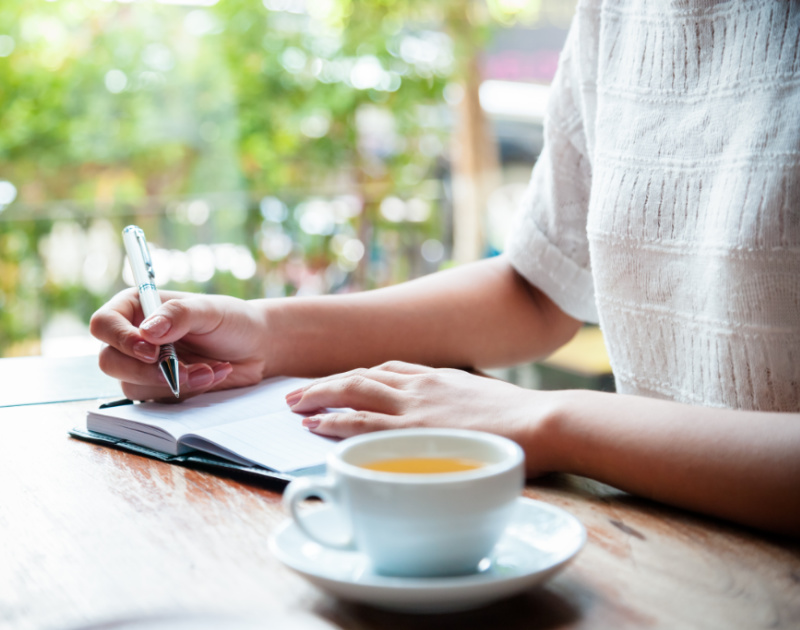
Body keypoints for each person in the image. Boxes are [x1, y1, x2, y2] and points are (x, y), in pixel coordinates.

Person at [90, 0, 800, 536]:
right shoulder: (618, 14)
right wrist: (263, 331)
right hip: (652, 542)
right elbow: (535, 287)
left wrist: (548, 421)